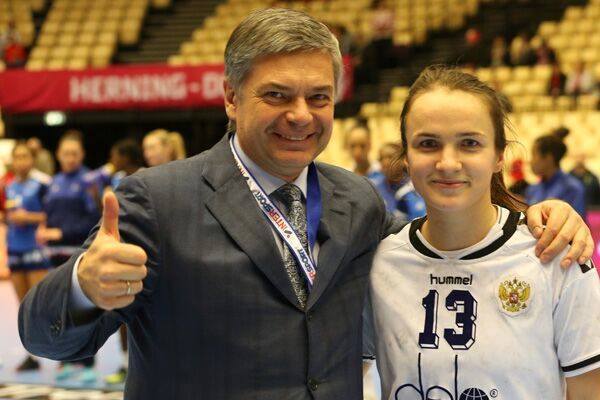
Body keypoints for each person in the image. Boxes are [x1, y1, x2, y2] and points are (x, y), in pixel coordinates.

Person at [18, 9, 593, 400]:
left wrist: (536, 214)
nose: (300, 115)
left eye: (318, 96)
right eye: (277, 95)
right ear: (230, 96)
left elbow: (449, 233)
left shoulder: (356, 201)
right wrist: (81, 285)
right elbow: (47, 337)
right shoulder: (158, 200)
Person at [364, 66, 600, 400]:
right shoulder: (378, 263)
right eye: (428, 144)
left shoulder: (556, 255)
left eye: (470, 143)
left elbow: (589, 390)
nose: (448, 163)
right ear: (406, 158)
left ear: (499, 156)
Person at [36, 130, 100, 383]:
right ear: (58, 155)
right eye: (66, 153)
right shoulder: (54, 182)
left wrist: (61, 232)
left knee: (83, 307)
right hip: (54, 255)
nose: (70, 158)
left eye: (74, 153)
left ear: (81, 155)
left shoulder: (89, 181)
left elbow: (93, 220)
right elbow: (49, 214)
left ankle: (88, 362)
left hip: (79, 253)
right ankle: (65, 359)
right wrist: (43, 228)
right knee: (59, 308)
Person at [4, 142, 50, 371]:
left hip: (35, 249)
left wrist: (29, 218)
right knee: (23, 306)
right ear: (12, 160)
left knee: (37, 303)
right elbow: (6, 214)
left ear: (32, 159)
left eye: (25, 156)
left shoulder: (42, 184)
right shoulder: (8, 185)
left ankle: (63, 351)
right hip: (14, 248)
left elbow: (52, 214)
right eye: (17, 157)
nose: (21, 161)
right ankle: (31, 356)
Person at [526, 127, 586, 218]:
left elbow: (578, 222)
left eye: (534, 155)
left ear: (548, 158)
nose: (530, 161)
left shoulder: (572, 188)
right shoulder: (532, 189)